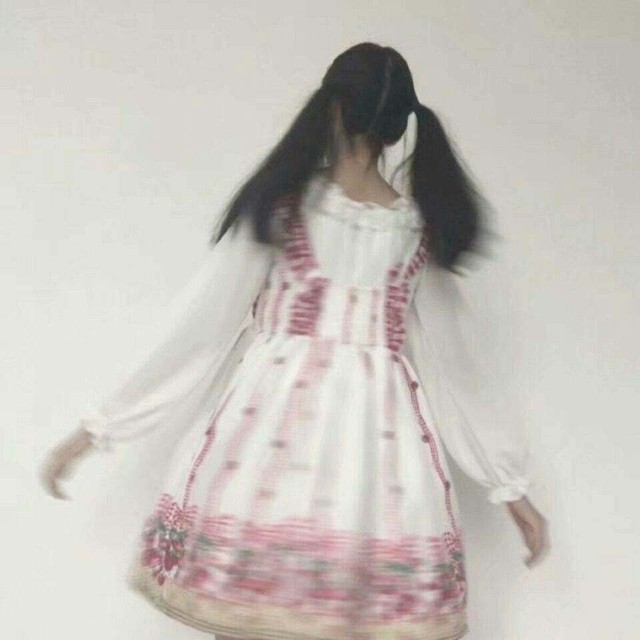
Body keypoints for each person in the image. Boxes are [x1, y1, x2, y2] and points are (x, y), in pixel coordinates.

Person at [40, 42, 548, 640]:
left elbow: (199, 328)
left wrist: (96, 430)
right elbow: (458, 370)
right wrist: (509, 488)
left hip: (267, 437)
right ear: (397, 127)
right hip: (376, 455)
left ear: (330, 107)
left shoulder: (287, 208)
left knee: (251, 615)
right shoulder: (411, 230)